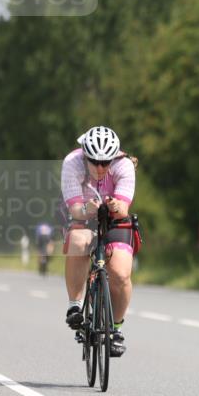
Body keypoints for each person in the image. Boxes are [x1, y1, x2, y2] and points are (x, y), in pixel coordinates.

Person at [62, 126, 139, 356]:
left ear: (113, 158)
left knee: (121, 273)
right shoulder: (72, 163)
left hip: (115, 220)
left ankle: (115, 328)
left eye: (105, 162)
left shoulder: (124, 165)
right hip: (84, 217)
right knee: (78, 240)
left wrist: (117, 206)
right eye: (94, 161)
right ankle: (75, 305)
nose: (99, 168)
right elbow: (75, 209)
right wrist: (87, 209)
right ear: (85, 156)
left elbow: (124, 206)